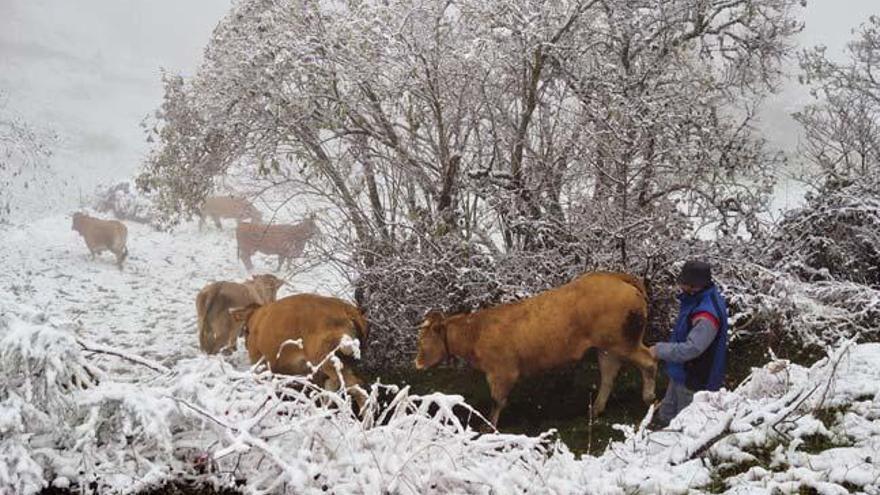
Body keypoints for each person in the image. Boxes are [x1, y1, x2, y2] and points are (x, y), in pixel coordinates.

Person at [648, 260, 729, 429]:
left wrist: (659, 350)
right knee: (666, 415)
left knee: (683, 426)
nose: (680, 286)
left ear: (694, 286)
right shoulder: (697, 300)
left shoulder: (706, 314)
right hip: (681, 373)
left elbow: (692, 349)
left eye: (684, 283)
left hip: (695, 380)